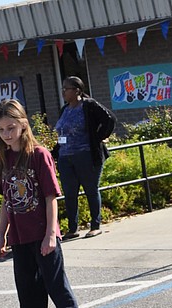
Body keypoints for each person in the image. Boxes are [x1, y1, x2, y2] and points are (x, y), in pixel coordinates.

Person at [0, 99, 102, 308]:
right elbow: (6, 201)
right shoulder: (3, 159)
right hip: (19, 239)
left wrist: (50, 234)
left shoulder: (38, 154)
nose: (7, 134)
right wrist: (0, 235)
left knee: (59, 291)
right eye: (1, 129)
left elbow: (50, 196)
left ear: (22, 124)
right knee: (28, 296)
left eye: (11, 127)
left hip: (43, 235)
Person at [54, 76, 116, 240]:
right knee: (69, 193)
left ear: (77, 90)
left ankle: (95, 225)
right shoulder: (64, 109)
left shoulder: (88, 105)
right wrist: (55, 152)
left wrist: (98, 137)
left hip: (86, 155)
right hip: (66, 157)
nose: (63, 92)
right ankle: (72, 228)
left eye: (66, 89)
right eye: (63, 88)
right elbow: (62, 133)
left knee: (90, 189)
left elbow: (109, 119)